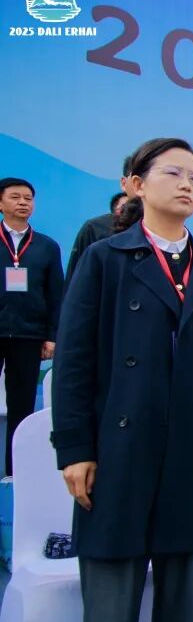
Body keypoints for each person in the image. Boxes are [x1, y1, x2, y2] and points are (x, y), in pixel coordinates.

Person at [51, 138, 193, 622]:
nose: (187, 184)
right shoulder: (105, 259)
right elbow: (73, 361)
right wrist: (74, 448)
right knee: (110, 615)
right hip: (118, 452)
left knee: (187, 617)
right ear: (137, 185)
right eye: (173, 173)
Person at [0, 177, 63, 476]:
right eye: (15, 197)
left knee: (21, 405)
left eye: (28, 198)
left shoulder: (47, 246)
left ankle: (15, 473)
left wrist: (51, 335)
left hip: (28, 334)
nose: (23, 202)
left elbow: (55, 294)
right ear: (1, 203)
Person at [66, 184, 129, 288]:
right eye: (124, 207)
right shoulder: (94, 227)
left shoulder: (149, 228)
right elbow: (76, 271)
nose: (129, 210)